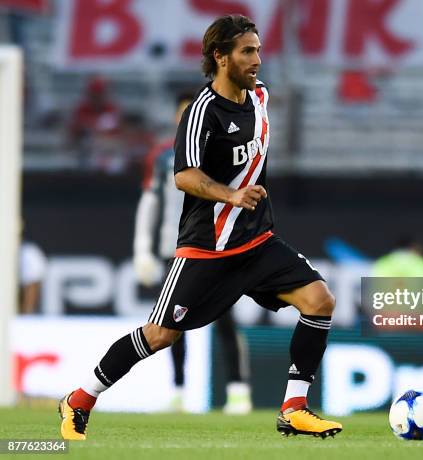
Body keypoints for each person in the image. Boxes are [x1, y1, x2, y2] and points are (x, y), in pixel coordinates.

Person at [59, 14, 342, 440]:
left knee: (319, 300)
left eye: (259, 50)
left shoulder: (260, 97)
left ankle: (294, 408)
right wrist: (230, 195)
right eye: (247, 51)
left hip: (257, 240)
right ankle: (79, 400)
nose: (257, 60)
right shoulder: (201, 112)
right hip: (207, 248)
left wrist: (244, 201)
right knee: (159, 336)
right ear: (220, 56)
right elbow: (184, 176)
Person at [133, 92, 252, 414]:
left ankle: (239, 390)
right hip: (177, 247)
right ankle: (178, 390)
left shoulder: (224, 151)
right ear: (177, 119)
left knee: (225, 317)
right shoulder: (162, 156)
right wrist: (142, 247)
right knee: (172, 323)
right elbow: (150, 201)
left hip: (218, 245)